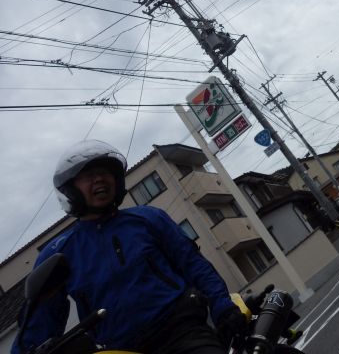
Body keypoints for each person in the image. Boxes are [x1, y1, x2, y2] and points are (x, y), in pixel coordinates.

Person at [12, 140, 249, 354]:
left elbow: (193, 264)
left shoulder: (149, 218)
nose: (100, 179)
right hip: (117, 348)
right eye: (89, 175)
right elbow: (38, 319)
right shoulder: (58, 252)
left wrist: (223, 308)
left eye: (105, 173)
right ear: (70, 189)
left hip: (181, 331)